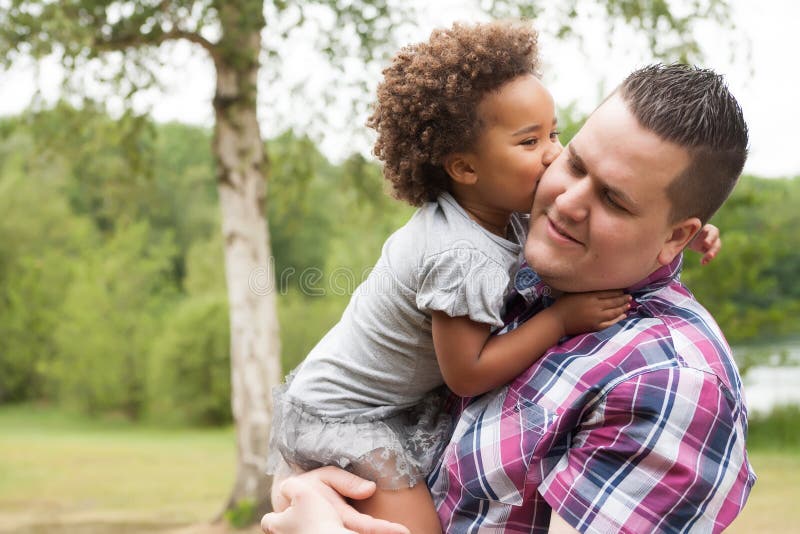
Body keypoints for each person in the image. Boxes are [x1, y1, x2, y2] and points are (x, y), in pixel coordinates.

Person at [262, 61, 754, 533]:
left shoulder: (669, 382)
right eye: (575, 163)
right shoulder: (522, 266)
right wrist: (302, 495)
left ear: (676, 236)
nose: (565, 200)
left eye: (613, 200)